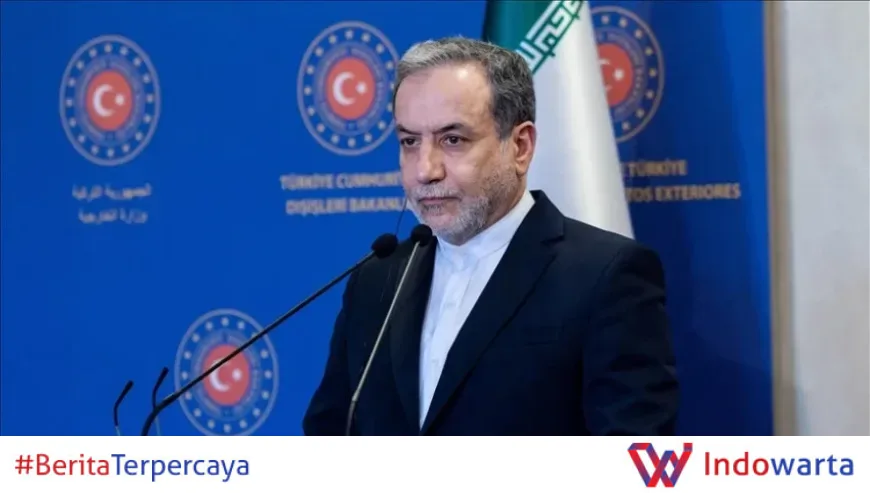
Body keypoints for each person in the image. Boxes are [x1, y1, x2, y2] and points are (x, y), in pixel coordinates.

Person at [302, 37, 679, 435]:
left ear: (520, 146)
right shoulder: (377, 279)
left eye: (453, 140)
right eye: (409, 142)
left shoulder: (604, 276)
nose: (425, 170)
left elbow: (633, 452)